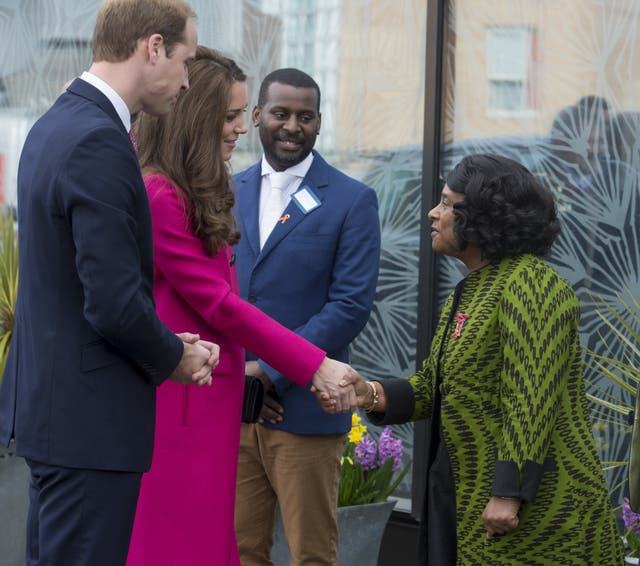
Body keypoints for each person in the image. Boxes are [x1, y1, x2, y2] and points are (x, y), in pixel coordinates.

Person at [0, 1, 221, 565]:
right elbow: (114, 302)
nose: (187, 79)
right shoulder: (98, 139)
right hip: (88, 430)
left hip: (58, 421)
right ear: (152, 47)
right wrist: (175, 355)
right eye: (186, 58)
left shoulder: (56, 124)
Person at [325, 154, 624, 564]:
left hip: (542, 516)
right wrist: (369, 393)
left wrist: (508, 493)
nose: (433, 212)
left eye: (447, 203)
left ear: (484, 217)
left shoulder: (532, 284)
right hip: (475, 504)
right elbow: (434, 386)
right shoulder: (471, 292)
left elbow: (531, 398)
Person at [125, 50, 359, 566]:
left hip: (210, 404)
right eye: (230, 116)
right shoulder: (164, 194)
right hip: (186, 406)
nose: (240, 128)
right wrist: (313, 363)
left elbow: (347, 302)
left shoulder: (191, 191)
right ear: (196, 117)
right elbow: (221, 305)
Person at [233, 68, 381, 565]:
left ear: (320, 123)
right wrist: (244, 378)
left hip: (304, 411)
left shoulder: (351, 200)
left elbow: (350, 306)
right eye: (280, 113)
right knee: (238, 551)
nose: (292, 125)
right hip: (233, 409)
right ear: (257, 117)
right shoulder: (223, 192)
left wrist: (272, 373)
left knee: (311, 555)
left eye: (305, 116)